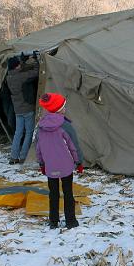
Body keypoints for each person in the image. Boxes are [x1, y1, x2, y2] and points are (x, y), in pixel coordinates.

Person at [35, 93, 84, 229]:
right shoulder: (65, 125)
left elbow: (38, 148)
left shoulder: (40, 126)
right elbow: (74, 146)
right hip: (66, 166)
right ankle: (70, 221)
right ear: (59, 109)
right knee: (68, 193)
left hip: (50, 166)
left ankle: (53, 221)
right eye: (64, 106)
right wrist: (79, 162)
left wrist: (42, 164)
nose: (65, 109)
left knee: (53, 194)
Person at [6, 54, 39, 164]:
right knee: (29, 132)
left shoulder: (9, 76)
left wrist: (23, 63)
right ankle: (24, 156)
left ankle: (13, 156)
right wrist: (35, 60)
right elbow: (35, 72)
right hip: (27, 108)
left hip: (17, 109)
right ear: (16, 66)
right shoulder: (21, 76)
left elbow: (21, 71)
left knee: (18, 133)